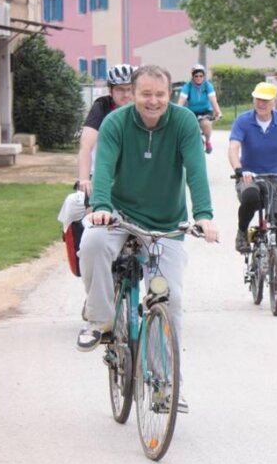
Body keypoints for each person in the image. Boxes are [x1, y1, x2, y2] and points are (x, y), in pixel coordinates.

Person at [77, 64, 219, 413]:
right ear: (133, 94)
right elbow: (103, 167)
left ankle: (165, 387)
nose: (153, 101)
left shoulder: (184, 122)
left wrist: (203, 215)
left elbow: (196, 169)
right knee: (92, 243)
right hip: (119, 215)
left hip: (165, 222)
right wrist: (102, 206)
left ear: (170, 95)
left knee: (168, 300)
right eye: (145, 94)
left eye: (160, 94)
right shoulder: (116, 123)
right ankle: (101, 319)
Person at [227, 82, 277, 293]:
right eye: (257, 99)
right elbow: (233, 148)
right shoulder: (243, 120)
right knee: (251, 197)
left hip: (276, 179)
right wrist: (239, 170)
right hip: (250, 177)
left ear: (274, 102)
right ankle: (242, 232)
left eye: (265, 100)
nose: (261, 103)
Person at [77, 63, 135, 197]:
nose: (126, 94)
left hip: (129, 177)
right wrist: (84, 179)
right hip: (99, 174)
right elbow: (86, 146)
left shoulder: (142, 108)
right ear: (110, 90)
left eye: (130, 89)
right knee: (88, 207)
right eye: (120, 89)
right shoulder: (102, 106)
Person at [178, 63, 222, 154]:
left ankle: (208, 141)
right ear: (193, 77)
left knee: (206, 124)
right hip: (192, 112)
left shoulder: (207, 85)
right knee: (187, 128)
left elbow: (213, 100)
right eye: (196, 76)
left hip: (205, 111)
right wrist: (177, 113)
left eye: (201, 76)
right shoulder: (188, 86)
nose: (199, 78)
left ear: (204, 76)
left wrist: (218, 112)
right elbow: (181, 101)